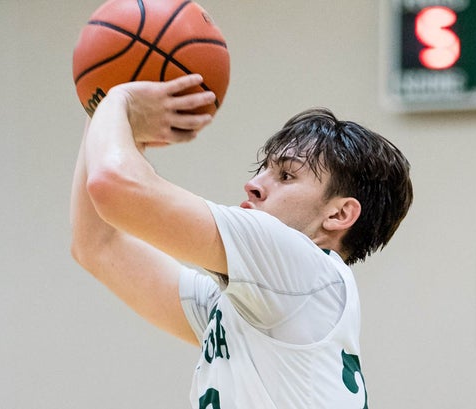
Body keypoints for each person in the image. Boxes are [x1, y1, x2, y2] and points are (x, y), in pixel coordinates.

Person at [70, 74, 413, 409]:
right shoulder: (264, 300)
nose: (253, 184)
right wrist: (102, 107)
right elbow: (97, 245)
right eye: (262, 168)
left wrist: (117, 97)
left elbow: (113, 186)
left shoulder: (297, 264)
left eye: (285, 175)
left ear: (338, 215)